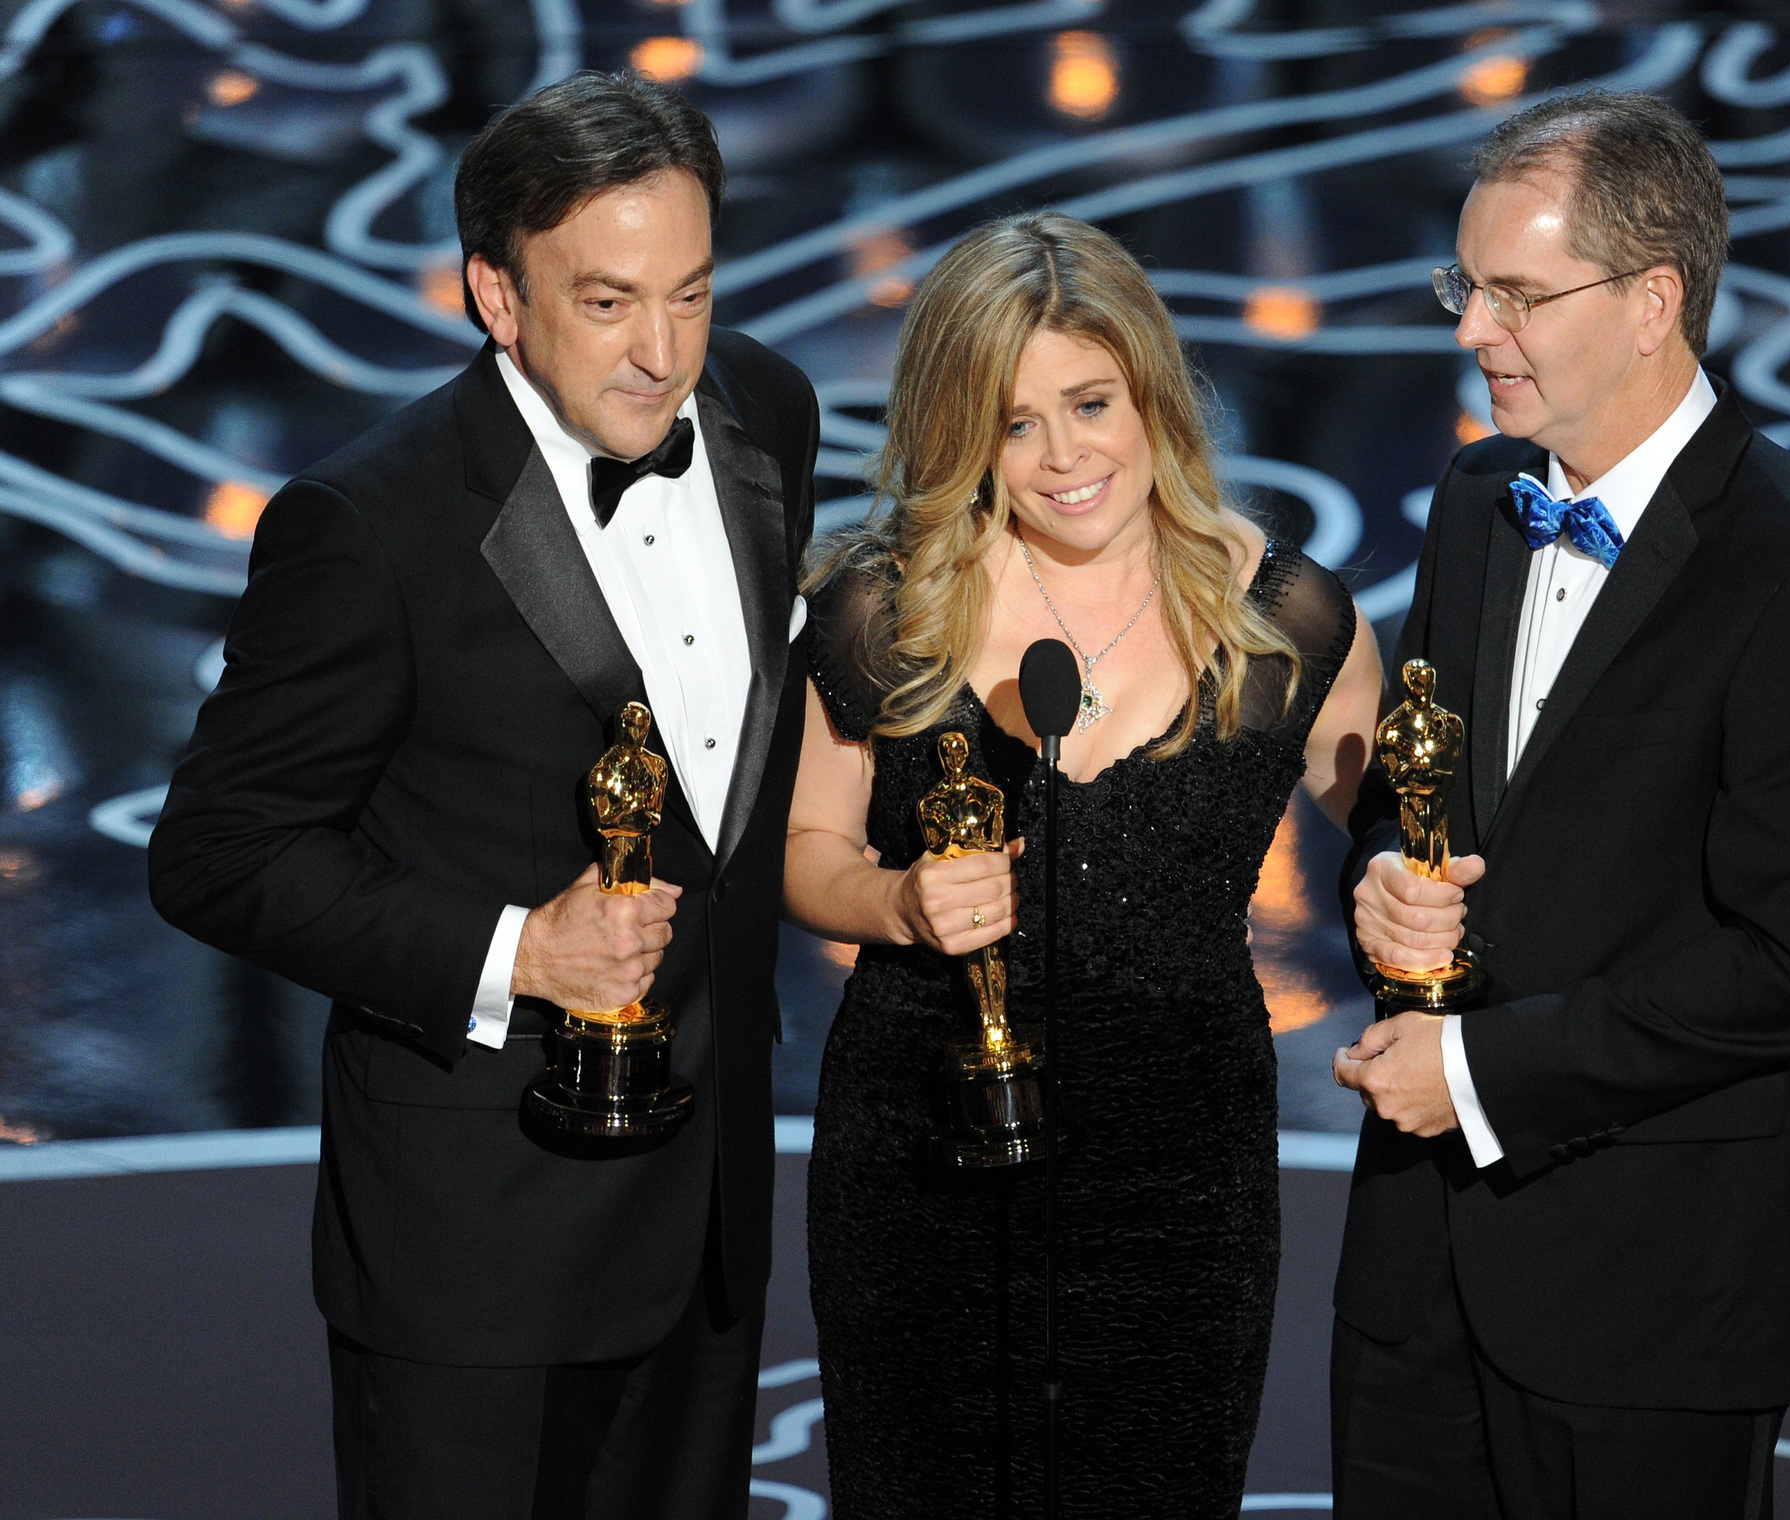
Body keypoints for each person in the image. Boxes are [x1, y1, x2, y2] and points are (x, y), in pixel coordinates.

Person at [148, 72, 819, 1519]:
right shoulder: (368, 525)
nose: (662, 355)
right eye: (607, 303)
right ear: (494, 297)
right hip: (479, 1250)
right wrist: (521, 952)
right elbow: (216, 852)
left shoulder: (767, 410)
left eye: (692, 293)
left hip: (709, 1215)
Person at [1329, 90, 1790, 1520]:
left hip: (1660, 1285)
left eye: (1519, 295)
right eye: (1464, 284)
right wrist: (1383, 886)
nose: (1473, 328)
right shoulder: (1479, 499)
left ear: (1655, 300)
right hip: (1421, 1261)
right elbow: (1425, 791)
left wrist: (1479, 1076)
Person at [783, 210, 1380, 1518]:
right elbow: (809, 853)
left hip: (1179, 1178)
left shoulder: (1290, 622)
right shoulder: (883, 608)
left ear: (1151, 388)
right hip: (920, 1159)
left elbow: (1401, 833)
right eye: (1014, 422)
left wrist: (1422, 899)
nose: (1063, 457)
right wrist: (894, 900)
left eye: (1090, 402)